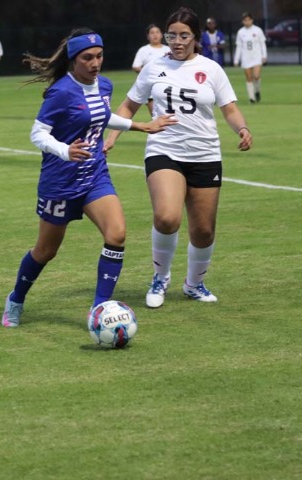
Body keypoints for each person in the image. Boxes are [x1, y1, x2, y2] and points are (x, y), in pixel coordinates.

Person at [0, 28, 178, 328]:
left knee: (116, 234)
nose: (95, 63)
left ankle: (99, 310)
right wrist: (65, 151)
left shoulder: (104, 85)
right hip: (60, 182)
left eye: (99, 56)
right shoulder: (61, 92)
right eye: (87, 58)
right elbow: (38, 133)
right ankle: (16, 298)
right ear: (73, 60)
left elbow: (102, 116)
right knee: (46, 251)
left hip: (95, 175)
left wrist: (141, 126)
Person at [104, 6, 253, 309]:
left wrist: (242, 128)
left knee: (203, 230)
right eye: (172, 35)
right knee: (167, 217)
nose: (177, 41)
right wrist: (112, 136)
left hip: (205, 154)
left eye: (184, 36)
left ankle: (194, 285)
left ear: (195, 37)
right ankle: (160, 278)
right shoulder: (153, 67)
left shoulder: (211, 69)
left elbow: (230, 109)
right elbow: (129, 105)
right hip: (164, 149)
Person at [131, 24, 171, 114]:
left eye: (157, 32)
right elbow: (136, 66)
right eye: (152, 33)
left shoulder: (168, 50)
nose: (155, 35)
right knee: (156, 115)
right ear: (148, 36)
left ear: (161, 35)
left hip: (168, 85)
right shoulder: (144, 50)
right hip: (151, 87)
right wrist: (150, 73)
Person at [233, 12, 267, 103]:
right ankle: (251, 98)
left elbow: (262, 44)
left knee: (256, 76)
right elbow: (239, 46)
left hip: (256, 56)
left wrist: (264, 56)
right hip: (246, 58)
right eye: (245, 20)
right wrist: (236, 59)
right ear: (243, 21)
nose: (247, 22)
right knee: (249, 78)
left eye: (249, 20)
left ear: (252, 20)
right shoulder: (240, 32)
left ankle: (257, 91)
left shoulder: (258, 30)